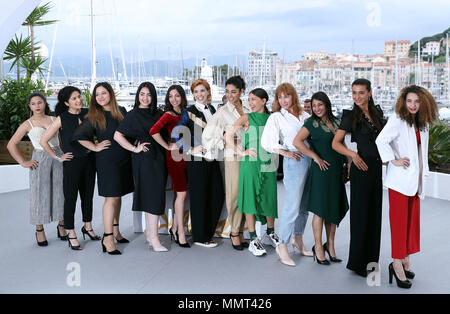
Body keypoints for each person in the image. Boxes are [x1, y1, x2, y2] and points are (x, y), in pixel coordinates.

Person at [375, 85, 438, 289]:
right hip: (400, 182)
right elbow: (381, 140)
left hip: (415, 181)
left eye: (416, 101)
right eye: (409, 101)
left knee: (411, 225)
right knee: (399, 225)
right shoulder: (397, 120)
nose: (412, 105)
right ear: (404, 102)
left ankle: (405, 259)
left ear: (423, 103)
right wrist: (393, 160)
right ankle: (396, 263)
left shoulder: (423, 123)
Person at [332, 78, 386, 277]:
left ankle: (372, 262)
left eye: (361, 92)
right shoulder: (349, 116)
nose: (357, 97)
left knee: (375, 214)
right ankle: (357, 263)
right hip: (360, 168)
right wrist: (353, 155)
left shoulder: (377, 113)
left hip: (376, 168)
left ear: (370, 93)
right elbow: (336, 144)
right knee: (361, 214)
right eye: (354, 93)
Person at [73, 82, 134, 255]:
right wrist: (95, 147)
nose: (100, 97)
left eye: (103, 93)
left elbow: (130, 131)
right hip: (107, 161)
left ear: (111, 94)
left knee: (118, 195)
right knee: (111, 198)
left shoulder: (121, 110)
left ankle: (116, 230)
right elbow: (78, 136)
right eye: (97, 94)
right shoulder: (94, 115)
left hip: (123, 159)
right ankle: (108, 239)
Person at [293, 91, 349, 266]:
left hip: (337, 170)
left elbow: (342, 144)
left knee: (332, 210)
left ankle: (330, 246)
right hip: (322, 170)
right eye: (314, 105)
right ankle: (318, 247)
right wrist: (315, 157)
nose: (317, 108)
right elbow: (297, 142)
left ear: (327, 105)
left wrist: (349, 162)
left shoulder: (337, 121)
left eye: (320, 105)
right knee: (319, 210)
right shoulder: (311, 123)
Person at [40, 86, 99, 251]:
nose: (78, 100)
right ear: (66, 102)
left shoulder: (88, 114)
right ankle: (71, 232)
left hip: (89, 161)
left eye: (79, 97)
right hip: (72, 163)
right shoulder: (61, 118)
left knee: (88, 196)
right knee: (71, 199)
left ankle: (88, 227)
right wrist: (58, 157)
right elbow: (44, 141)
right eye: (74, 98)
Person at [261, 83, 312, 266]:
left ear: (293, 96)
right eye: (279, 97)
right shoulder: (276, 117)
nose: (283, 101)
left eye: (286, 96)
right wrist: (286, 152)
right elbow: (266, 142)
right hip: (295, 161)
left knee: (305, 205)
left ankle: (297, 239)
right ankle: (282, 243)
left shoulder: (306, 115)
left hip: (310, 160)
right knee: (292, 205)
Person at [7, 93, 67, 247]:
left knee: (61, 191)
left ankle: (62, 225)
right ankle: (39, 229)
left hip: (58, 156)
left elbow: (59, 142)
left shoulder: (54, 119)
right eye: (33, 103)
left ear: (45, 103)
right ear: (30, 106)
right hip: (40, 158)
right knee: (39, 194)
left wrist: (63, 154)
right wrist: (23, 162)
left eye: (39, 102)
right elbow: (11, 144)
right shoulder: (28, 124)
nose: (37, 106)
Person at [114, 82, 168, 252]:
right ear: (137, 95)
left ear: (153, 96)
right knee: (152, 197)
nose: (145, 98)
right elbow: (117, 135)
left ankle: (148, 232)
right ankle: (154, 237)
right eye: (142, 94)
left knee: (154, 196)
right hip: (144, 160)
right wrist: (134, 148)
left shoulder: (159, 113)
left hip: (159, 158)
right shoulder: (133, 115)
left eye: (149, 94)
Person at [224, 88, 278, 257]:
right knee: (249, 199)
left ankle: (270, 232)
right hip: (250, 164)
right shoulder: (247, 117)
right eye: (249, 100)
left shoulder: (272, 119)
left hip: (268, 163)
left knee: (269, 197)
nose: (251, 103)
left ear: (264, 101)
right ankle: (254, 239)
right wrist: (241, 152)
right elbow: (227, 136)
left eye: (254, 99)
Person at [172, 79, 224, 248]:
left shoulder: (212, 109)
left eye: (202, 91)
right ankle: (201, 237)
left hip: (212, 158)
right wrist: (190, 149)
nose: (199, 94)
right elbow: (176, 133)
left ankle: (207, 233)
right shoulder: (189, 111)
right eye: (196, 92)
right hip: (197, 160)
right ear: (193, 94)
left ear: (208, 92)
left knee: (216, 195)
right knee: (200, 198)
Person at [202, 75, 251, 250]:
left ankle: (245, 231)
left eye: (234, 92)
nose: (229, 95)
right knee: (235, 194)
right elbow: (207, 137)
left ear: (241, 91)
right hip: (233, 157)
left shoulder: (249, 107)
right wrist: (225, 141)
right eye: (227, 92)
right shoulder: (222, 112)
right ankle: (235, 232)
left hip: (251, 156)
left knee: (248, 194)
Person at [150, 84, 190, 248]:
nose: (174, 99)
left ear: (182, 96)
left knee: (181, 193)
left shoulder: (186, 113)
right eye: (171, 96)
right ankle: (180, 233)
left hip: (186, 154)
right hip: (175, 156)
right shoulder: (168, 115)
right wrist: (167, 146)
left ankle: (174, 227)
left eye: (177, 95)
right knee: (181, 194)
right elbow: (153, 131)